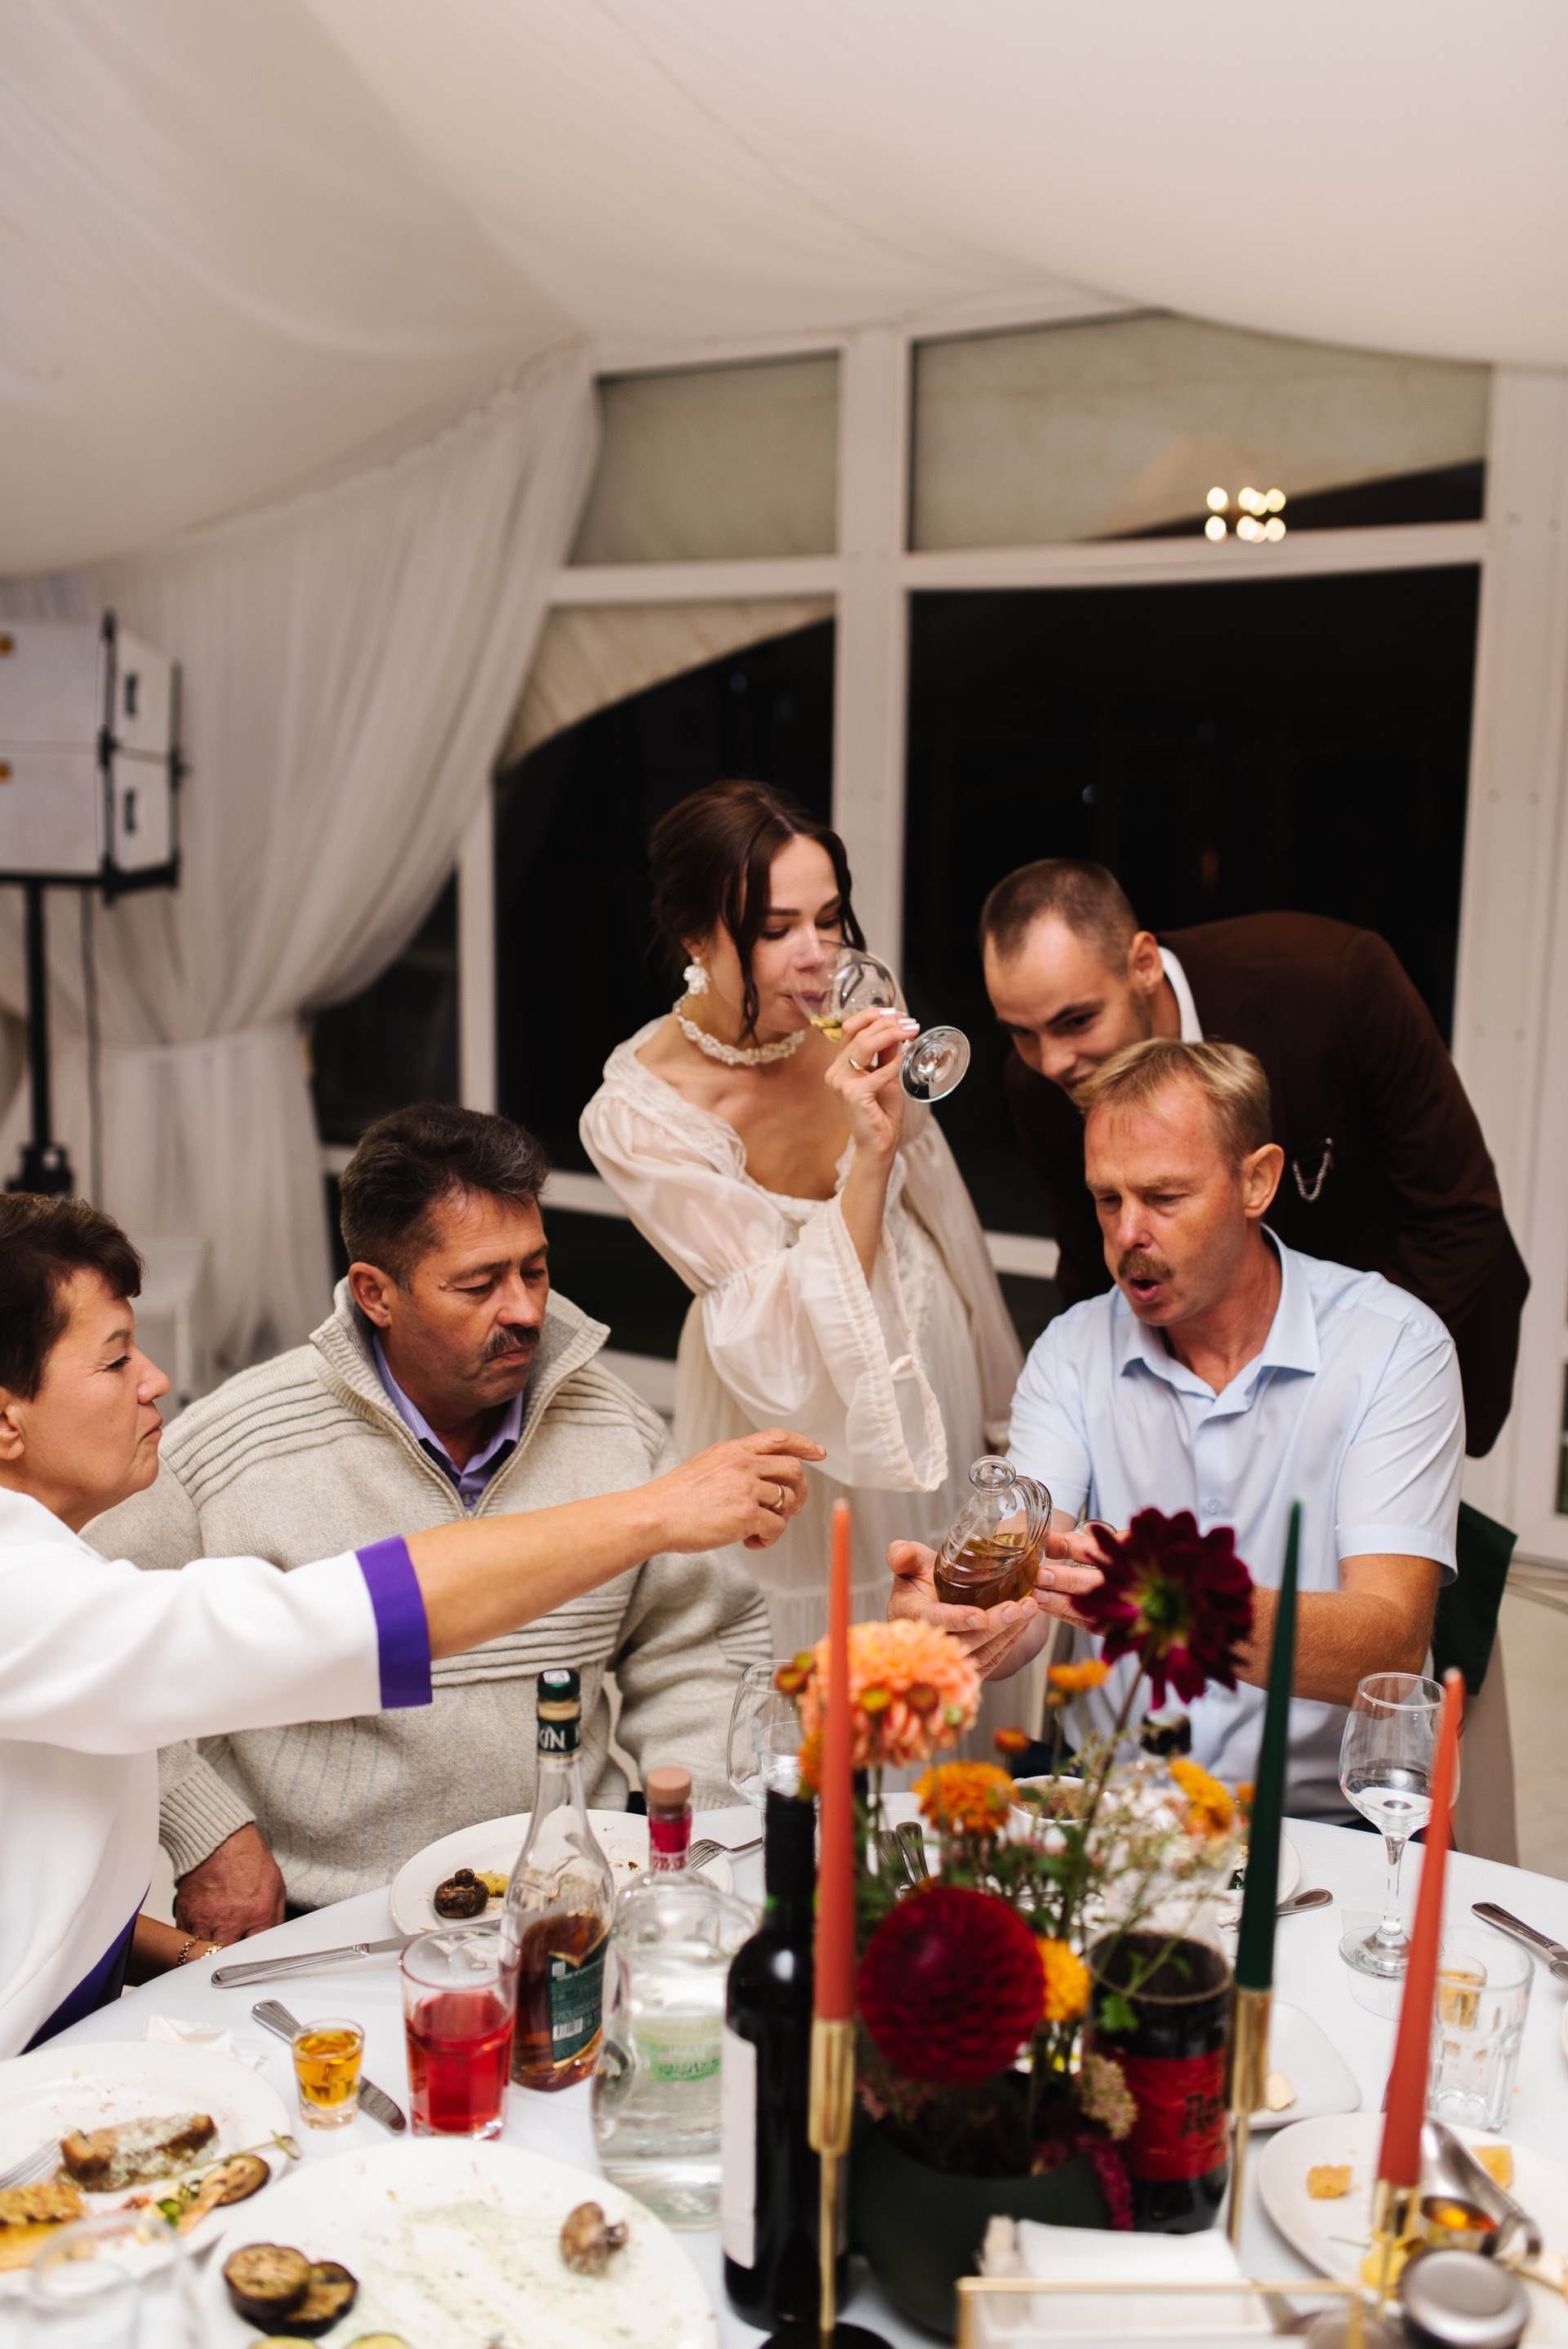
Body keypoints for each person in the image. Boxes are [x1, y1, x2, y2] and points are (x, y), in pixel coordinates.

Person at [0, 1192, 813, 2057]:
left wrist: (198, 1964)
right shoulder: (26, 1598)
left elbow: (54, 1907)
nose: (155, 1378)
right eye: (116, 1359)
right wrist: (656, 1512)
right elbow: (363, 1615)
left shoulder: (48, 1571)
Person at [888, 1038, 1463, 1819]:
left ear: (1257, 1181)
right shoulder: (1071, 1352)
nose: (1128, 1233)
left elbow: (1389, 1645)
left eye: (1163, 1197)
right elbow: (1026, 1580)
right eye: (1107, 1200)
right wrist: (956, 1623)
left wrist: (1180, 1606)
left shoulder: (1393, 1347)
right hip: (1109, 1813)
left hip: (1324, 1824)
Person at [579, 779, 1023, 1667]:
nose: (818, 957)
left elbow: (941, 1204)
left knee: (949, 1635)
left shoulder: (851, 1017)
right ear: (695, 935)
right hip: (780, 1405)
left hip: (920, 1357)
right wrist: (869, 1152)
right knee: (806, 1668)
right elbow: (783, 1328)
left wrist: (999, 1401)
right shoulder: (634, 1114)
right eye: (776, 929)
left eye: (830, 920)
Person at [981, 861, 1526, 1455]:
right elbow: (1093, 1268)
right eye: (1021, 1032)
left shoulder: (1335, 982)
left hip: (1396, 1347)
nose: (1053, 1061)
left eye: (1076, 1020)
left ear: (1144, 964)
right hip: (1194, 1391)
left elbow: (1457, 1214)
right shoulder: (1040, 1085)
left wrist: (1338, 1389)